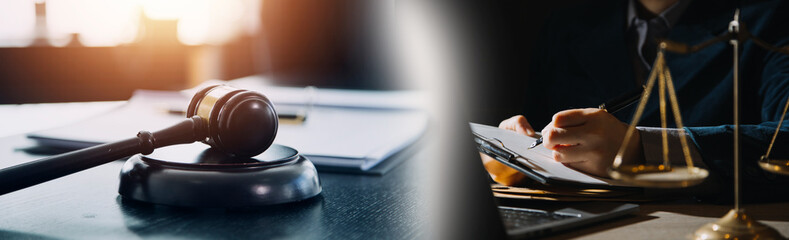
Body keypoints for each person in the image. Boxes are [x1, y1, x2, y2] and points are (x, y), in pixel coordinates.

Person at [483, 0, 789, 199]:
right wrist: (515, 154)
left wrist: (641, 148)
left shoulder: (769, 20)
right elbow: (540, 129)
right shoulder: (566, 27)